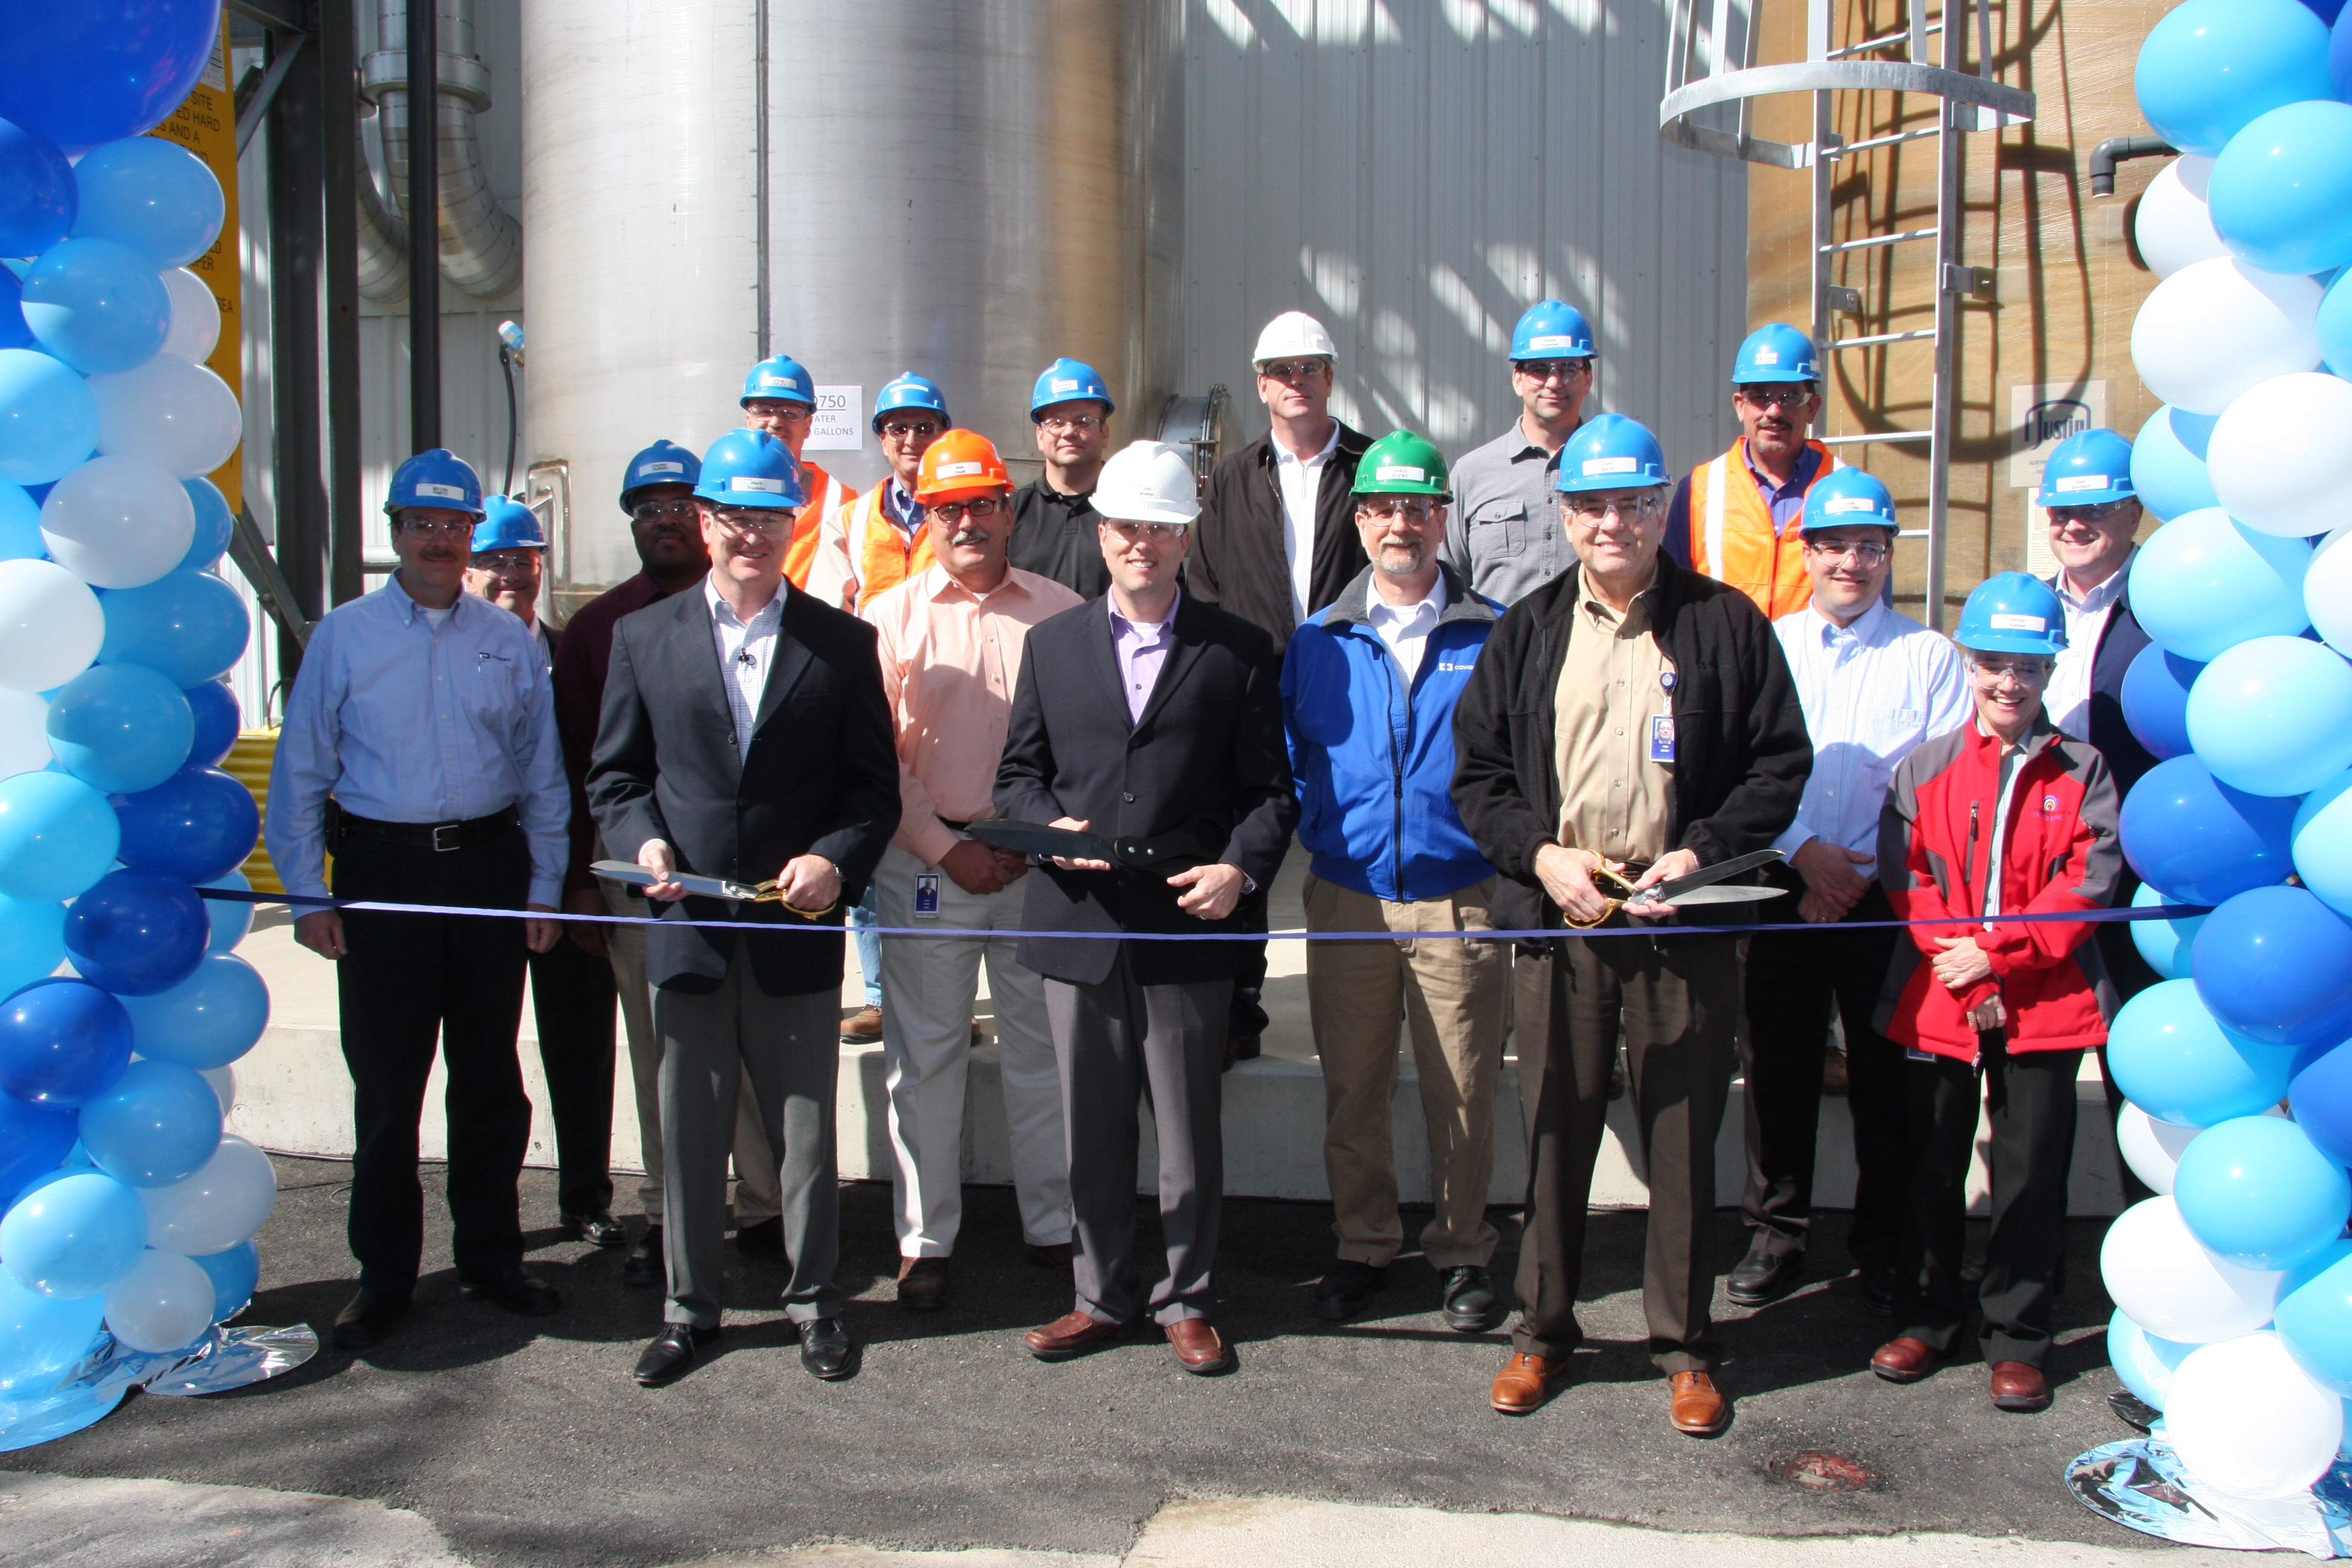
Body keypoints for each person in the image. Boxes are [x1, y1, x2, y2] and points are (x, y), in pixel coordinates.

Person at [1451, 414, 1810, 1437]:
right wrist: (1543, 857)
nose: (1612, 521)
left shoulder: (1724, 624)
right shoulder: (1524, 630)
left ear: (1662, 508)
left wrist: (1698, 851)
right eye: (1592, 504)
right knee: (1554, 1125)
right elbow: (1475, 779)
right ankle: (1544, 1330)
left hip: (1678, 924)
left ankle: (1686, 1346)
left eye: (1632, 501)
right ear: (1563, 515)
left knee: (1681, 1136)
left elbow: (1777, 763)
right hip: (1565, 921)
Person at [588, 428, 900, 1388]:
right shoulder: (643, 639)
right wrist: (641, 845)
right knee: (689, 1128)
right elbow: (616, 778)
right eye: (731, 517)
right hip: (685, 926)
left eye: (768, 517)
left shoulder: (842, 645)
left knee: (806, 1130)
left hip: (793, 929)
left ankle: (814, 1302)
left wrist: (832, 863)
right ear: (704, 520)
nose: (749, 535)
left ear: (792, 520)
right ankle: (691, 1307)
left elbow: (872, 794)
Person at [996, 439, 1298, 1376]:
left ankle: (1186, 1298)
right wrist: (1055, 826)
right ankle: (1098, 1293)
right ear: (1101, 531)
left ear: (1185, 538)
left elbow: (1272, 792)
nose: (1142, 543)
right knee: (1091, 1126)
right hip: (1080, 924)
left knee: (1188, 1130)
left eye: (1161, 529)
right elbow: (1018, 779)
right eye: (1127, 525)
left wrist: (1238, 873)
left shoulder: (1240, 650)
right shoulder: (1051, 646)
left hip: (1185, 926)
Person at [264, 448, 570, 1351]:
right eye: (423, 525)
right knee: (389, 1085)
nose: (439, 541)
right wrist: (306, 892)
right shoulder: (344, 638)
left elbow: (543, 776)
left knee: (488, 1080)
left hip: (485, 871)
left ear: (475, 535)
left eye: (454, 526)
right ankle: (386, 1273)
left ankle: (490, 1256)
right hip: (382, 878)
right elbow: (302, 772)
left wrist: (544, 886)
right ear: (394, 531)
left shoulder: (508, 640)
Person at [1867, 572, 2121, 1414]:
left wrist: (1996, 958)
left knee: (2029, 1176)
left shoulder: (2084, 771)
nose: (2009, 683)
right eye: (1994, 664)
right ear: (1969, 662)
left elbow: (2090, 882)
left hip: (2046, 1001)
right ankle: (1929, 1316)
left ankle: (2018, 1336)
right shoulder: (1926, 768)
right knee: (1932, 1166)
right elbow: (1909, 879)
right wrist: (1960, 960)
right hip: (1938, 1000)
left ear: (2050, 673)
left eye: (2029, 667)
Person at [1725, 468, 1970, 1313]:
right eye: (1835, 546)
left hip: (1882, 897)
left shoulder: (1930, 656)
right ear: (1810, 552)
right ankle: (1776, 1233)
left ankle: (1882, 1241)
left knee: (1883, 1079)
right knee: (1778, 1069)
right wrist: (1805, 855)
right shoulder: (1768, 643)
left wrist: (1855, 868)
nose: (1852, 563)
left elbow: (1938, 784)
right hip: (1784, 885)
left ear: (1889, 555)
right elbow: (1744, 767)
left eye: (1870, 547)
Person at [1282, 432, 1509, 1332]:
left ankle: (1461, 1252)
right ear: (1361, 518)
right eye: (1383, 508)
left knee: (1464, 1087)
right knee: (1355, 1083)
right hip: (1348, 894)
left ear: (1443, 519)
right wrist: (1331, 834)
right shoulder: (1320, 638)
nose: (1401, 524)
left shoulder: (1492, 633)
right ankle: (1364, 1243)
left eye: (1419, 507)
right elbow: (1298, 754)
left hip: (1461, 895)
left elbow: (1511, 764)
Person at [549, 441, 784, 1286]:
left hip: (749, 880)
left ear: (709, 517)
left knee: (754, 1053)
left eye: (678, 505)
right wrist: (587, 877)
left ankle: (766, 1203)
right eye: (645, 508)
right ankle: (670, 1210)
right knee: (661, 1058)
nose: (663, 520)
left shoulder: (773, 615)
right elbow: (585, 765)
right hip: (646, 883)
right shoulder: (601, 629)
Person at [864, 430, 1081, 1312]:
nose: (967, 522)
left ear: (1007, 510)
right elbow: (879, 760)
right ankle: (925, 1241)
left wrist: (1037, 841)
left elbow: (1082, 747)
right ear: (927, 512)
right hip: (927, 865)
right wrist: (946, 847)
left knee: (1043, 1054)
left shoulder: (1064, 612)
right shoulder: (890, 617)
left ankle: (1055, 1226)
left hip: (1034, 868)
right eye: (950, 507)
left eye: (983, 504)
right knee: (925, 1058)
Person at [1188, 310, 1371, 1061]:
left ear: (1330, 376)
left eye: (1309, 368)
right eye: (1280, 371)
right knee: (1248, 850)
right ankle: (1240, 1008)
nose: (1295, 382)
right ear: (1261, 385)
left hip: (1352, 683)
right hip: (1256, 694)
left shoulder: (1372, 467)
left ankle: (1366, 1009)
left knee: (1356, 840)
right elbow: (1203, 587)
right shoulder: (1232, 479)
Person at [464, 496, 625, 1252]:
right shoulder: (448, 659)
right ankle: (490, 1218)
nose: (510, 577)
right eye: (493, 561)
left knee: (581, 1048)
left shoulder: (579, 652)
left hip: (572, 883)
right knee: (486, 1054)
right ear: (465, 568)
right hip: (486, 881)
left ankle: (586, 1196)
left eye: (523, 562)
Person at [2035, 428, 2159, 1204]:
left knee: (2145, 1063)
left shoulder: (2166, 608)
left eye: (2096, 508)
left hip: (2145, 871)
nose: (2075, 524)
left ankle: (2163, 1232)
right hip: (2045, 868)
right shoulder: (2025, 606)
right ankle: (2033, 1269)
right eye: (2061, 510)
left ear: (2134, 511)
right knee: (2038, 1071)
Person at [832, 372, 953, 1046]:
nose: (911, 439)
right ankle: (881, 994)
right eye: (898, 428)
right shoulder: (849, 518)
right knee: (874, 855)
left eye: (924, 426)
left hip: (944, 694)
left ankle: (947, 1000)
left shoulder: (960, 503)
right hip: (871, 693)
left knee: (939, 850)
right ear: (880, 439)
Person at [1663, 324, 1841, 621]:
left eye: (1790, 397)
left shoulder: (1845, 489)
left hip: (1819, 665)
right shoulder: (1699, 490)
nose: (1774, 411)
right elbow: (1672, 599)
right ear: (1740, 406)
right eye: (1761, 396)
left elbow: (1874, 603)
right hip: (1725, 664)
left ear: (1814, 408)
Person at [1442, 300, 1596, 605]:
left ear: (1588, 379)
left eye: (1568, 368)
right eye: (1539, 369)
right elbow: (1449, 578)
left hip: (1588, 649)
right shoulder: (1473, 472)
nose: (1554, 382)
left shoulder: (1606, 469)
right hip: (1497, 649)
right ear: (1517, 379)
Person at [739, 353, 858, 608]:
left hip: (811, 641)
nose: (775, 422)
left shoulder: (843, 502)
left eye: (789, 412)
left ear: (808, 425)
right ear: (748, 419)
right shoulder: (720, 491)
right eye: (764, 410)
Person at [1007, 356, 1115, 599]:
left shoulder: (1130, 506)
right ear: (1039, 437)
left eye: (1084, 421)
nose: (1069, 432)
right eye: (1056, 423)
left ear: (1105, 434)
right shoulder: (1011, 514)